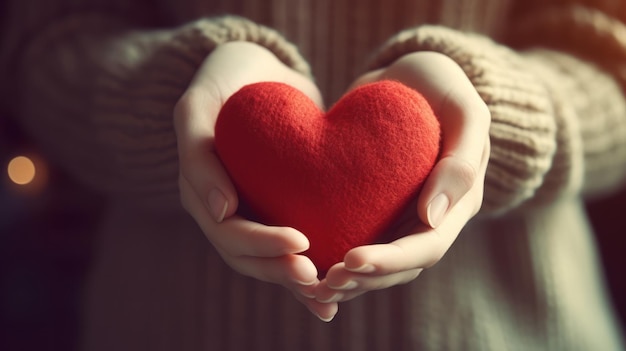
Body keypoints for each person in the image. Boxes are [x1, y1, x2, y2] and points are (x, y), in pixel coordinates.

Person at [1, 0, 625, 350]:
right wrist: (177, 101)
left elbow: (614, 63)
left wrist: (497, 118)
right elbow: (41, 44)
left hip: (517, 329)